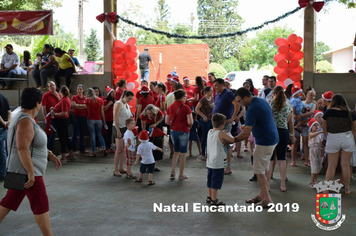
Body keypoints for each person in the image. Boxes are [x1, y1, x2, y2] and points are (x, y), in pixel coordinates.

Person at [0, 87, 61, 236]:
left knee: (9, 201)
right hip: (26, 172)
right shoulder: (25, 121)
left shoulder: (22, 118)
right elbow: (22, 148)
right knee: (40, 202)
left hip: (18, 170)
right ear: (37, 104)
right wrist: (31, 172)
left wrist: (49, 154)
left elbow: (30, 144)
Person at [235, 87, 279, 208]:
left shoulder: (252, 109)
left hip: (264, 141)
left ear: (245, 98)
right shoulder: (261, 100)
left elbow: (245, 133)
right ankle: (261, 195)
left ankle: (267, 200)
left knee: (259, 171)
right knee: (263, 169)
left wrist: (232, 140)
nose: (238, 103)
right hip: (272, 138)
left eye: (239, 101)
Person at [323, 94, 356, 195]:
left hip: (332, 138)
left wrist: (327, 137)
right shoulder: (350, 113)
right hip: (347, 138)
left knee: (331, 165)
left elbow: (324, 128)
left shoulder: (328, 112)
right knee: (345, 165)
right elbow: (354, 129)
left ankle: (326, 189)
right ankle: (346, 189)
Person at [266, 86, 294, 192]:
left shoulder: (271, 104)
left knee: (271, 158)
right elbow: (288, 120)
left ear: (274, 93)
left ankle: (267, 184)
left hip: (273, 132)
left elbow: (269, 119)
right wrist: (291, 134)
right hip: (283, 132)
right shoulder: (288, 106)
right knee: (282, 158)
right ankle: (283, 185)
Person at [206, 113, 235, 206]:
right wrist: (228, 133)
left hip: (210, 161)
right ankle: (214, 200)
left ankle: (209, 196)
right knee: (216, 180)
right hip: (218, 162)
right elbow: (232, 140)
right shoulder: (221, 133)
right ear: (222, 125)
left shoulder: (210, 131)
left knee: (210, 179)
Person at [213, 78, 240, 175]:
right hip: (217, 123)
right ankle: (221, 164)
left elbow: (236, 104)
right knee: (219, 144)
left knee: (226, 144)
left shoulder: (228, 93)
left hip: (225, 123)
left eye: (216, 85)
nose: (215, 87)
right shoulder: (217, 94)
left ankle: (227, 167)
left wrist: (232, 117)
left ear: (222, 85)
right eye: (214, 85)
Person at [166, 89, 193, 181]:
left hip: (173, 130)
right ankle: (181, 174)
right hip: (183, 131)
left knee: (176, 151)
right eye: (185, 96)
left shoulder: (170, 107)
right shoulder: (186, 107)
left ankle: (172, 171)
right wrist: (189, 125)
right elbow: (190, 121)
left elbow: (166, 121)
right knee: (183, 153)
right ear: (182, 97)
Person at [113, 91, 134, 177]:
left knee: (123, 149)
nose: (130, 100)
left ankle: (121, 167)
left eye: (131, 99)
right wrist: (118, 130)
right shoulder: (118, 104)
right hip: (118, 127)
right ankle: (115, 170)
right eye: (129, 98)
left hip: (125, 128)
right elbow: (115, 118)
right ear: (125, 96)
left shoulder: (127, 105)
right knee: (119, 149)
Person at [50, 86, 74, 162]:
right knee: (66, 137)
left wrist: (55, 113)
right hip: (63, 121)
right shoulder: (65, 99)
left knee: (62, 139)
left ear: (61, 92)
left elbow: (64, 113)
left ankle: (64, 156)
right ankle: (71, 153)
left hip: (62, 121)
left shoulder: (64, 100)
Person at [195, 86, 214, 161]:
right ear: (207, 91)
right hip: (206, 120)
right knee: (205, 137)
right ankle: (203, 153)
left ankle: (210, 152)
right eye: (211, 91)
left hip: (212, 119)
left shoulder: (212, 98)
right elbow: (197, 109)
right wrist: (203, 116)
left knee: (211, 136)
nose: (212, 92)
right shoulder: (203, 100)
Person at [85, 88, 106, 157]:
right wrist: (104, 121)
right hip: (99, 119)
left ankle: (93, 151)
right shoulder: (100, 100)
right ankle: (103, 147)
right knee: (100, 134)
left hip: (90, 119)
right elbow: (102, 111)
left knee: (93, 135)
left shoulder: (87, 100)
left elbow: (87, 109)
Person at [41, 81, 61, 151]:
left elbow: (62, 104)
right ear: (48, 87)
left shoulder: (58, 94)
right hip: (49, 118)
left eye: (53, 85)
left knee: (54, 135)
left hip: (57, 117)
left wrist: (57, 96)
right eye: (51, 86)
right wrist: (45, 118)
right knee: (49, 136)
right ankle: (47, 151)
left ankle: (51, 151)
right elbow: (43, 107)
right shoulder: (46, 95)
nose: (52, 87)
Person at [290, 85, 306, 167]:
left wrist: (301, 91)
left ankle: (305, 159)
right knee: (295, 143)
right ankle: (293, 160)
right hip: (296, 119)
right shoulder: (294, 100)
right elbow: (293, 110)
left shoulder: (298, 98)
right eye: (299, 92)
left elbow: (303, 96)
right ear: (296, 93)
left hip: (301, 118)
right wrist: (295, 116)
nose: (300, 93)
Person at [70, 84, 88, 154]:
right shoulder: (74, 97)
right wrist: (82, 106)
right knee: (75, 133)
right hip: (76, 117)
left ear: (83, 90)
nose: (79, 90)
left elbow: (87, 107)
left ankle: (82, 149)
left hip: (84, 117)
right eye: (78, 89)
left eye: (80, 89)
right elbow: (74, 106)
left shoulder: (85, 98)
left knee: (82, 133)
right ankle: (73, 150)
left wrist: (79, 105)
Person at [308, 118, 324, 188]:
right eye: (315, 125)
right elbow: (311, 136)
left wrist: (323, 151)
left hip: (319, 150)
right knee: (314, 165)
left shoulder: (320, 135)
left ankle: (316, 179)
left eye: (317, 125)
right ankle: (311, 182)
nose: (317, 126)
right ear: (311, 127)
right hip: (313, 150)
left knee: (318, 165)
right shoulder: (310, 133)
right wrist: (321, 132)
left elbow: (322, 143)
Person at [0, 92, 11, 181]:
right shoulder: (4, 97)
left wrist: (4, 123)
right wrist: (8, 123)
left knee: (2, 152)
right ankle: (3, 173)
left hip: (2, 126)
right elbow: (9, 111)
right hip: (4, 128)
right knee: (2, 152)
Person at [103, 86, 115, 153]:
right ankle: (106, 146)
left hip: (112, 119)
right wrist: (109, 104)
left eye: (114, 92)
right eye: (112, 92)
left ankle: (110, 146)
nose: (114, 94)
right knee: (106, 133)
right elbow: (103, 109)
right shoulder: (105, 101)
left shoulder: (114, 101)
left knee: (111, 133)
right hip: (106, 119)